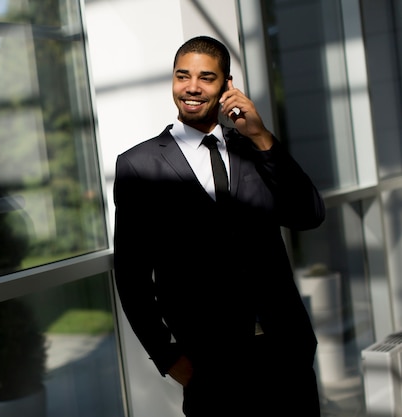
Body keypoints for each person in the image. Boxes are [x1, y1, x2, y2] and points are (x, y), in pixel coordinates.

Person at [113, 35, 325, 416]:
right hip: (210, 366)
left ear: (227, 86)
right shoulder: (138, 166)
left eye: (206, 77)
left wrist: (260, 135)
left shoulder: (253, 148)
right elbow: (131, 276)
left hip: (286, 354)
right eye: (183, 76)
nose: (192, 87)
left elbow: (308, 214)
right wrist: (168, 357)